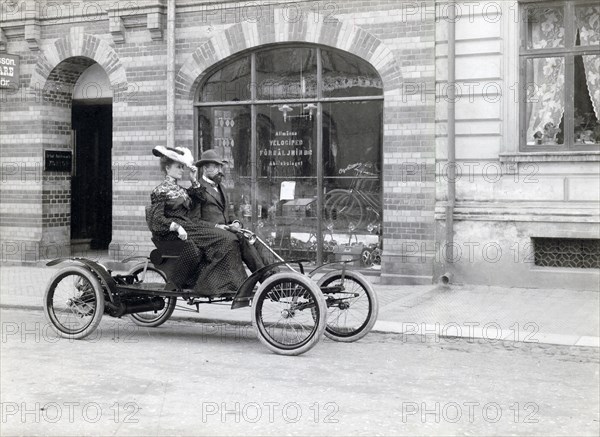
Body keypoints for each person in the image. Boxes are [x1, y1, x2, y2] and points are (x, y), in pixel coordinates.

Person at [146, 146, 248, 296]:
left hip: (189, 227)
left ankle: (228, 284)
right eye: (178, 167)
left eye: (182, 166)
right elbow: (156, 220)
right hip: (171, 232)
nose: (182, 170)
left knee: (228, 239)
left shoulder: (181, 189)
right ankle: (189, 284)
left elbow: (199, 198)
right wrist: (177, 227)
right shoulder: (160, 191)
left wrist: (193, 179)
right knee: (225, 238)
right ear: (167, 168)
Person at [188, 149, 268, 275]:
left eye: (221, 166)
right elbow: (194, 221)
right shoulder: (197, 190)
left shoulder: (222, 188)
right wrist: (218, 226)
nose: (220, 171)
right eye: (215, 167)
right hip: (211, 236)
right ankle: (265, 278)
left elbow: (229, 213)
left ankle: (277, 276)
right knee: (241, 239)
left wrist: (236, 223)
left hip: (228, 232)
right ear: (205, 168)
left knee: (254, 238)